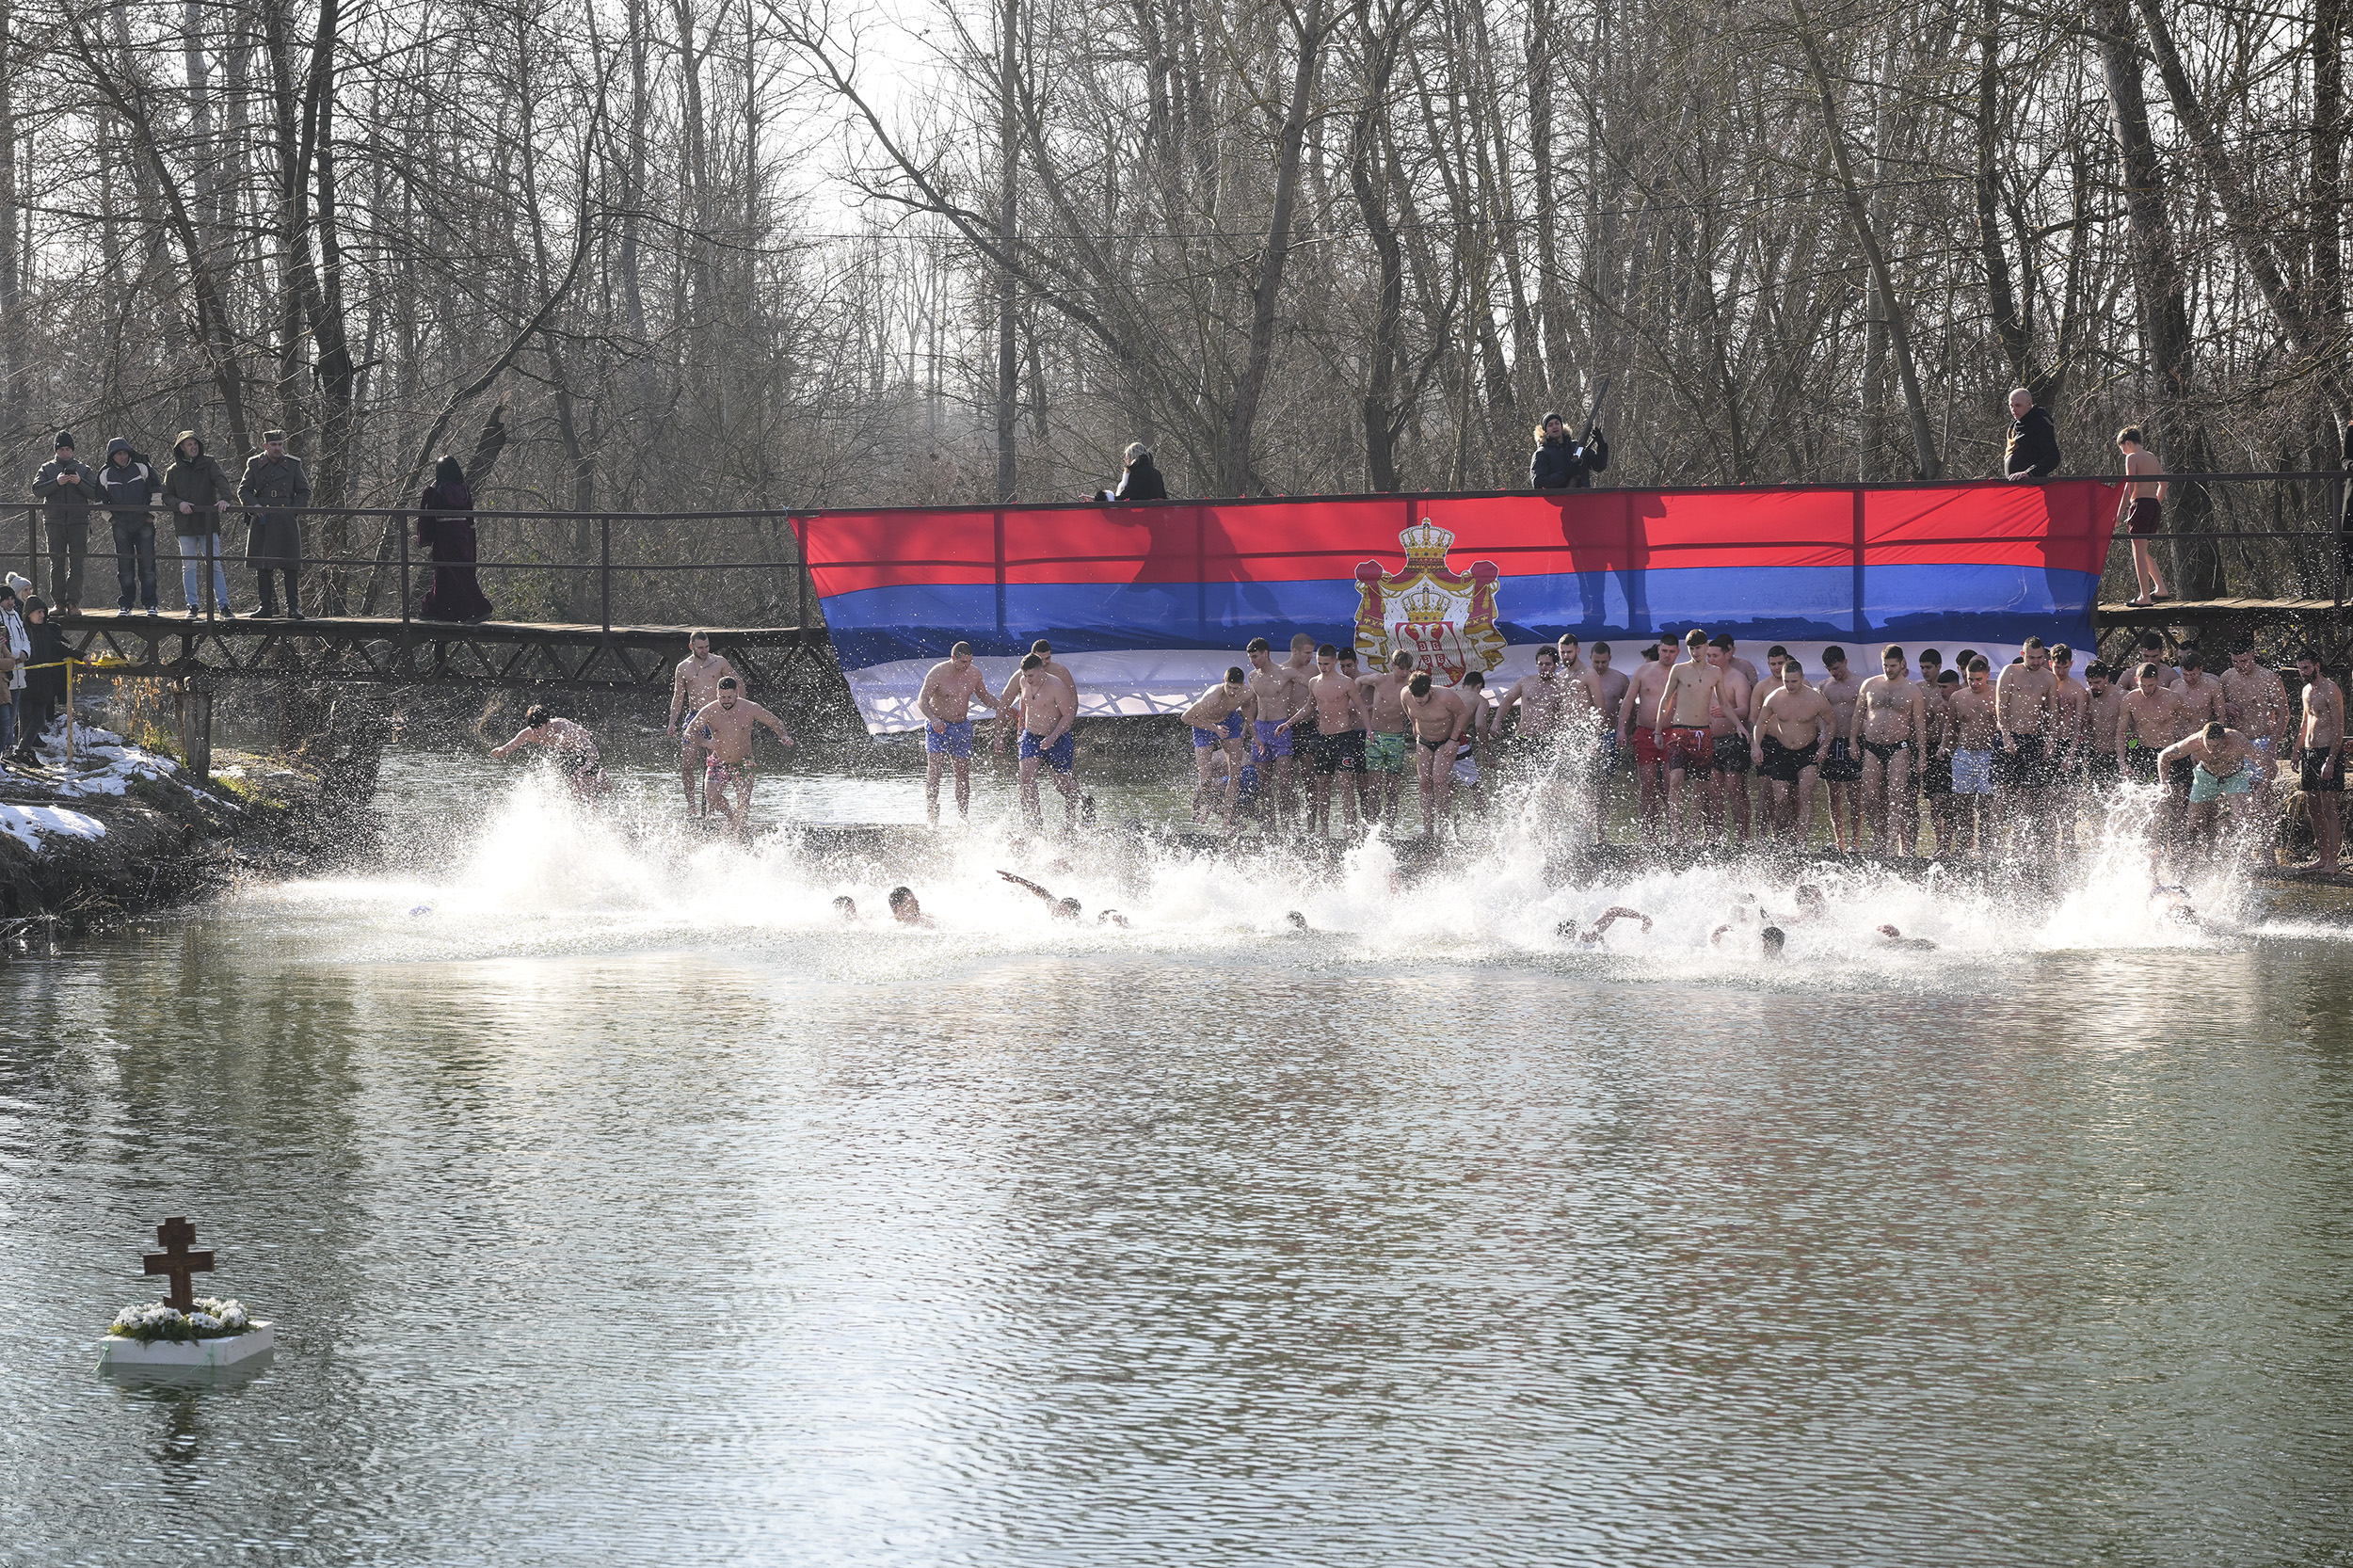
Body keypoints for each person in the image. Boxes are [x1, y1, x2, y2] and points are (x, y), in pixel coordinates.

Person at [686, 676, 796, 838]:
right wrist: (706, 742)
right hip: (719, 761)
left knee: (743, 801)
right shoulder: (709, 710)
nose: (726, 701)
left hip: (744, 762)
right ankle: (731, 818)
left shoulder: (750, 708)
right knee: (711, 796)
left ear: (737, 692)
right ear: (717, 693)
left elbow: (775, 722)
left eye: (729, 697)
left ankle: (737, 837)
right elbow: (689, 732)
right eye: (722, 697)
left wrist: (783, 735)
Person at [912, 640, 1000, 825]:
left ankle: (963, 816)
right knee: (935, 771)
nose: (967, 665)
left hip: (962, 727)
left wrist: (1003, 707)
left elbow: (984, 696)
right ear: (953, 658)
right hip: (939, 726)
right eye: (963, 662)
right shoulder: (938, 672)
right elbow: (922, 700)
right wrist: (933, 719)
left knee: (962, 774)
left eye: (970, 661)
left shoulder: (974, 673)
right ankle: (931, 815)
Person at [1853, 646, 1928, 856]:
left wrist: (1922, 755)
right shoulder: (1870, 685)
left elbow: (1919, 725)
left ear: (1902, 664)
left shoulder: (1912, 690)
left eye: (1893, 666)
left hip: (1899, 747)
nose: (1888, 669)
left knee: (1897, 796)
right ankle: (1879, 839)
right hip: (1872, 746)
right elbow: (1858, 714)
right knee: (1869, 797)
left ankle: (1889, 846)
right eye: (1885, 665)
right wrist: (1852, 740)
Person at [1653, 628, 1724, 844]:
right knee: (1675, 779)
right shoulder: (1679, 669)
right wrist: (1658, 730)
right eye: (1691, 649)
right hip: (1680, 731)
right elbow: (1665, 700)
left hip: (1703, 732)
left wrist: (1740, 726)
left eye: (1698, 648)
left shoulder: (1715, 672)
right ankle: (1677, 832)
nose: (1695, 652)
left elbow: (1725, 704)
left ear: (1706, 646)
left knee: (1701, 786)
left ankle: (1692, 833)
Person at [1751, 657, 1833, 843]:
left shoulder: (1815, 698)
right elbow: (1760, 723)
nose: (1790, 685)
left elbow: (1831, 723)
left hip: (1808, 751)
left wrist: (1825, 746)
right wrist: (1756, 746)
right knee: (1780, 798)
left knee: (1805, 794)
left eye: (1794, 681)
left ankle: (1802, 841)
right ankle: (1783, 840)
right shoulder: (1774, 697)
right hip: (1782, 751)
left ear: (1802, 678)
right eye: (1786, 681)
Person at [2154, 721, 2260, 855]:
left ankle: (2222, 825)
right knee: (2194, 823)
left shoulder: (2238, 742)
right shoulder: (2194, 742)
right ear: (2202, 738)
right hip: (2206, 777)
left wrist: (2257, 796)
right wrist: (2164, 781)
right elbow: (2164, 755)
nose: (2212, 750)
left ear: (2224, 739)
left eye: (2217, 745)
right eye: (2208, 745)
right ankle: (2192, 855)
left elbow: (2270, 767)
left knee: (2242, 816)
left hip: (2235, 777)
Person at [1993, 637, 2059, 849]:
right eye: (2031, 657)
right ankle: (1995, 844)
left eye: (2040, 658)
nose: (2036, 662)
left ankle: (2022, 843)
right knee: (2002, 793)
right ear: (2023, 655)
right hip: (2008, 735)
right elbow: (2001, 705)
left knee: (2029, 795)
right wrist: (2006, 736)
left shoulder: (2049, 678)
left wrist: (2051, 739)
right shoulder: (2010, 672)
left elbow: (2052, 712)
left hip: (2032, 738)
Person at [668, 632, 744, 815]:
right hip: (695, 716)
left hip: (716, 716)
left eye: (707, 646)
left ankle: (710, 810)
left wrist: (737, 711)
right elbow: (678, 696)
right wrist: (672, 722)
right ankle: (691, 806)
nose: (704, 650)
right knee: (687, 765)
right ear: (691, 647)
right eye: (700, 647)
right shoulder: (683, 667)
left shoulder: (719, 662)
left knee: (715, 766)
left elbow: (738, 684)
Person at [162, 431, 235, 616]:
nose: (193, 447)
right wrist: (179, 504)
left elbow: (221, 481)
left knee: (215, 564)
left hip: (207, 522)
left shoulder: (209, 463)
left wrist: (225, 498)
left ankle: (224, 606)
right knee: (189, 566)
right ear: (181, 448)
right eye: (189, 444)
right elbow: (166, 495)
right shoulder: (173, 471)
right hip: (185, 525)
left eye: (195, 443)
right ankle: (192, 606)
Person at [239, 429, 310, 618]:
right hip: (264, 518)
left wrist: (293, 510)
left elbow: (304, 492)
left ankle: (293, 608)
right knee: (263, 565)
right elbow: (244, 490)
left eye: (280, 444)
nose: (278, 448)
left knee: (290, 565)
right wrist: (254, 505)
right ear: (265, 446)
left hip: (286, 519)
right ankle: (266, 607)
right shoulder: (254, 464)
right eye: (273, 445)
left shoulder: (293, 465)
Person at [1009, 651, 1081, 831]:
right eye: (1025, 675)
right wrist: (1021, 728)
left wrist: (1052, 737)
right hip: (1031, 736)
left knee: (1062, 786)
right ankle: (1035, 824)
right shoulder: (1023, 681)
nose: (1027, 680)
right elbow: (1025, 703)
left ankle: (1082, 800)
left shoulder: (1057, 685)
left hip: (1057, 737)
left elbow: (1068, 715)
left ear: (1041, 670)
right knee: (1026, 778)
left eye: (1031, 675)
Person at [1244, 635, 1311, 827]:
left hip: (1280, 728)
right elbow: (1252, 706)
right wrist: (1247, 731)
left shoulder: (1285, 673)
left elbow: (1315, 686)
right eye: (1250, 657)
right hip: (1260, 729)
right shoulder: (1252, 676)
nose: (1252, 661)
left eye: (1255, 656)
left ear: (1265, 653)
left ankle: (1293, 826)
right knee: (1263, 784)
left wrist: (1311, 710)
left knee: (1285, 782)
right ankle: (1270, 829)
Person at [416, 454, 492, 622]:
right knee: (453, 570)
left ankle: (480, 606)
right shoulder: (463, 489)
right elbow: (470, 514)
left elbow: (426, 515)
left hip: (445, 532)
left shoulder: (434, 490)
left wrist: (424, 537)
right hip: (464, 532)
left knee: (452, 571)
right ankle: (439, 608)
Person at [1620, 633, 1678, 843]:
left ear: (1677, 652)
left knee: (1670, 785)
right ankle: (1648, 835)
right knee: (1647, 785)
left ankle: (1674, 833)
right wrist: (1621, 729)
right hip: (1645, 732)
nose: (1667, 655)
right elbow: (1628, 701)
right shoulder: (1643, 671)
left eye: (1672, 652)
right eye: (1665, 651)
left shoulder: (1681, 672)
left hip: (1671, 732)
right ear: (1659, 650)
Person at [1305, 643, 1368, 837]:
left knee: (1346, 784)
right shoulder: (1314, 682)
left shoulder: (1346, 682)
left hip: (1344, 737)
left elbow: (1361, 706)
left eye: (1326, 664)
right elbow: (1309, 707)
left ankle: (1351, 829)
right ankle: (1324, 829)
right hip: (1323, 738)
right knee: (1323, 785)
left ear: (1334, 661)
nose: (1323, 667)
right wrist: (1288, 723)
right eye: (1319, 663)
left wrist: (1370, 730)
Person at [31, 432, 97, 612]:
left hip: (79, 522)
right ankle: (59, 602)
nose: (65, 452)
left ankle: (73, 602)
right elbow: (37, 490)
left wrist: (79, 482)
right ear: (56, 450)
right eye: (61, 449)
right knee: (56, 562)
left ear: (72, 450)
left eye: (68, 449)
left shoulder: (83, 469)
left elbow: (96, 492)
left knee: (77, 563)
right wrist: (56, 482)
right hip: (54, 521)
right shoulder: (47, 468)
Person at [2221, 639, 2291, 808]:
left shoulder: (2269, 678)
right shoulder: (2227, 677)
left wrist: (2273, 743)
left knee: (2261, 791)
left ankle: (2267, 822)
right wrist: (2225, 706)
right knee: (2237, 793)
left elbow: (2284, 713)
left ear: (2253, 655)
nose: (2240, 666)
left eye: (2244, 661)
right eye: (2235, 661)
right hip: (2236, 741)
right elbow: (2214, 705)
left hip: (2261, 740)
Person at [95, 437, 162, 614]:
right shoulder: (105, 473)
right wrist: (111, 519)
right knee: (125, 568)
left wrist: (151, 515)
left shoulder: (142, 467)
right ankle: (125, 604)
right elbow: (100, 501)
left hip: (144, 523)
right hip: (120, 526)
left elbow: (157, 490)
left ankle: (151, 604)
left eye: (125, 453)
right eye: (119, 454)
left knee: (148, 566)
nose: (123, 457)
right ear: (112, 456)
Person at [1401, 667, 1469, 837]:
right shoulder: (1405, 694)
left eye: (1422, 696)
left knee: (1438, 779)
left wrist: (1453, 739)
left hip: (1445, 740)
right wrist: (1414, 724)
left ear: (1430, 690)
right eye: (1415, 696)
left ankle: (1443, 826)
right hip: (1424, 740)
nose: (1419, 700)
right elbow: (1407, 709)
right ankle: (1427, 829)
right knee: (1424, 782)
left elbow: (1463, 712)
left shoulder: (1445, 696)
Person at [1941, 657, 2000, 853]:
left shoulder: (1996, 694)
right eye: (1970, 679)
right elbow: (1951, 726)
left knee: (1986, 805)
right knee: (1962, 804)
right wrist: (1943, 746)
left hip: (1988, 754)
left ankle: (1985, 851)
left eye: (1978, 679)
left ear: (1987, 675)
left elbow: (2005, 723)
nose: (1974, 683)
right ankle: (1964, 850)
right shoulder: (1957, 697)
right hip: (1964, 754)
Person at [1183, 668, 1255, 826]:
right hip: (1203, 725)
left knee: (1235, 773)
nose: (1232, 692)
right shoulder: (1212, 697)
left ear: (1242, 685)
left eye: (1236, 688)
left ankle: (1227, 822)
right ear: (1224, 682)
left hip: (1228, 722)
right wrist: (1214, 728)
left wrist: (1254, 736)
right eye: (1229, 687)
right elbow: (1186, 717)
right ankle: (1215, 810)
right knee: (1205, 778)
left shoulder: (1247, 693)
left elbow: (1248, 713)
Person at [2294, 649, 2345, 874]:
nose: (2303, 672)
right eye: (2300, 669)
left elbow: (2339, 727)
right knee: (2313, 807)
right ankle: (2322, 857)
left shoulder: (2331, 689)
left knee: (2329, 807)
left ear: (2317, 666)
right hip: (2310, 752)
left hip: (2328, 752)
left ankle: (2333, 861)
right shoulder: (2306, 690)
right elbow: (2305, 722)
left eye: (2306, 668)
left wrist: (2331, 760)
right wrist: (2296, 751)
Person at [489, 704, 605, 799]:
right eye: (532, 727)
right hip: (565, 751)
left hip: (585, 749)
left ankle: (601, 778)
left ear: (548, 723)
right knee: (576, 793)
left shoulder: (563, 731)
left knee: (590, 794)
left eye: (539, 727)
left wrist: (587, 765)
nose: (535, 732)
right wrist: (501, 751)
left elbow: (591, 747)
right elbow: (508, 747)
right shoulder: (529, 733)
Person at [1705, 633, 1754, 845]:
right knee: (1713, 791)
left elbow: (1745, 709)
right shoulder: (1704, 677)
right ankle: (1716, 837)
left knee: (1735, 789)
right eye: (1708, 656)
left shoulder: (1737, 678)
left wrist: (1727, 711)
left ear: (1727, 655)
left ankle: (1743, 837)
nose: (1711, 659)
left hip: (1733, 739)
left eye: (1715, 656)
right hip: (1710, 739)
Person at [1358, 649, 1417, 824]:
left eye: (1407, 669)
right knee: (1374, 786)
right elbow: (1358, 681)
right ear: (1393, 665)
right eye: (1401, 668)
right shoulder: (1379, 679)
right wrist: (1358, 702)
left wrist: (1417, 727)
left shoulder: (1410, 686)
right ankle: (1373, 826)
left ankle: (1390, 828)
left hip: (1396, 738)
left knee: (1392, 788)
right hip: (1375, 736)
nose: (1404, 673)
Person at [1816, 646, 1865, 852]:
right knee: (1834, 796)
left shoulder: (1861, 684)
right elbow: (1820, 714)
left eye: (1836, 668)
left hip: (1855, 740)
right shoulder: (1824, 686)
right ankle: (1840, 841)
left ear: (1845, 662)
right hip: (1833, 742)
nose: (1833, 672)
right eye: (1829, 669)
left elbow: (1865, 713)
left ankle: (1855, 842)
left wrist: (1857, 739)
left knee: (1854, 795)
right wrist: (1822, 732)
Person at [2116, 425, 2169, 606]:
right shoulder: (2152, 456)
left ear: (2128, 443)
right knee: (2143, 550)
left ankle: (2144, 597)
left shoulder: (2132, 457)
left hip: (2139, 505)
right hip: (2153, 505)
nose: (2123, 452)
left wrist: (2119, 513)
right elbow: (2164, 483)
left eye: (2122, 448)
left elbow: (2129, 486)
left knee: (2138, 552)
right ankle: (2161, 589)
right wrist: (2156, 503)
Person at [13, 598, 62, 761]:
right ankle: (22, 753)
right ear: (29, 614)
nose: (42, 615)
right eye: (38, 612)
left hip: (43, 684)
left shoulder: (46, 631)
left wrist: (80, 655)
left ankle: (22, 751)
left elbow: (58, 648)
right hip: (26, 682)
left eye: (43, 612)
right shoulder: (23, 632)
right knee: (25, 720)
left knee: (39, 719)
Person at [1529, 410, 1608, 489]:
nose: (1555, 427)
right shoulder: (1541, 454)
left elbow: (1599, 466)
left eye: (1557, 423)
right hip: (1559, 497)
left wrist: (1601, 445)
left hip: (1584, 496)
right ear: (1545, 430)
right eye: (1550, 425)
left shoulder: (1576, 447)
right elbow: (1538, 483)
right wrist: (1565, 474)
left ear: (1561, 426)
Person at [2003, 387, 2061, 479]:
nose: (2013, 409)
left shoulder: (2040, 423)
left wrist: (2029, 473)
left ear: (2029, 404)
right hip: (2015, 484)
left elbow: (2053, 457)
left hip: (2033, 484)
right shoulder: (2014, 426)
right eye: (2011, 406)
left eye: (2018, 405)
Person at [997, 869, 1083, 920]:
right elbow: (1039, 890)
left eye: (1063, 911)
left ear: (1072, 916)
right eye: (1059, 907)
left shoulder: (1076, 923)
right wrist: (1017, 879)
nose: (1057, 911)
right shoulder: (1053, 905)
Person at [1559, 906, 1651, 949]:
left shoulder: (1588, 935)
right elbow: (1612, 911)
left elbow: (1613, 911)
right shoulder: (1584, 939)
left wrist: (1641, 916)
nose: (1582, 932)